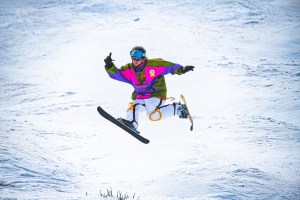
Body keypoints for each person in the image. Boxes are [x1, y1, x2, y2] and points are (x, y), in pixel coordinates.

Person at [104, 46, 194, 132]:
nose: (135, 61)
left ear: (143, 58)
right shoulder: (129, 69)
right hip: (141, 96)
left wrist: (181, 69)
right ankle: (132, 124)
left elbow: (169, 67)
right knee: (132, 106)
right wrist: (109, 65)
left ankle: (178, 109)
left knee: (152, 116)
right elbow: (117, 74)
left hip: (155, 94)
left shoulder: (154, 65)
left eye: (137, 59)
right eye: (133, 58)